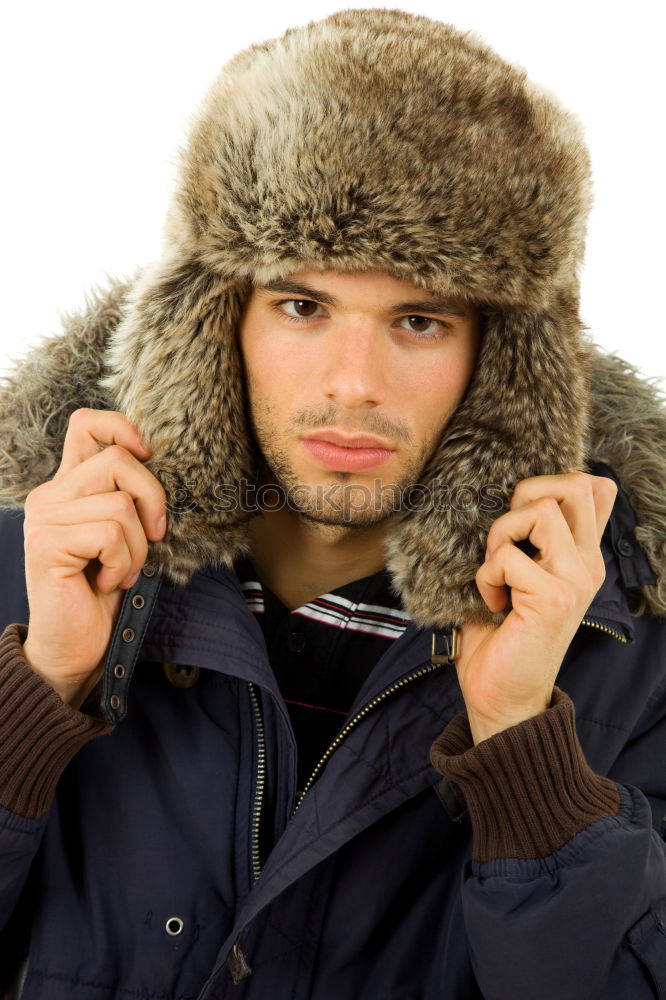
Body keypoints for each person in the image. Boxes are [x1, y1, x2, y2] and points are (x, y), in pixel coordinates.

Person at [0, 8, 665, 999]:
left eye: (419, 318)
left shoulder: (626, 651)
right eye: (304, 306)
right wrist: (39, 689)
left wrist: (524, 740)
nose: (354, 381)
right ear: (217, 315)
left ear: (504, 358)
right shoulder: (38, 558)